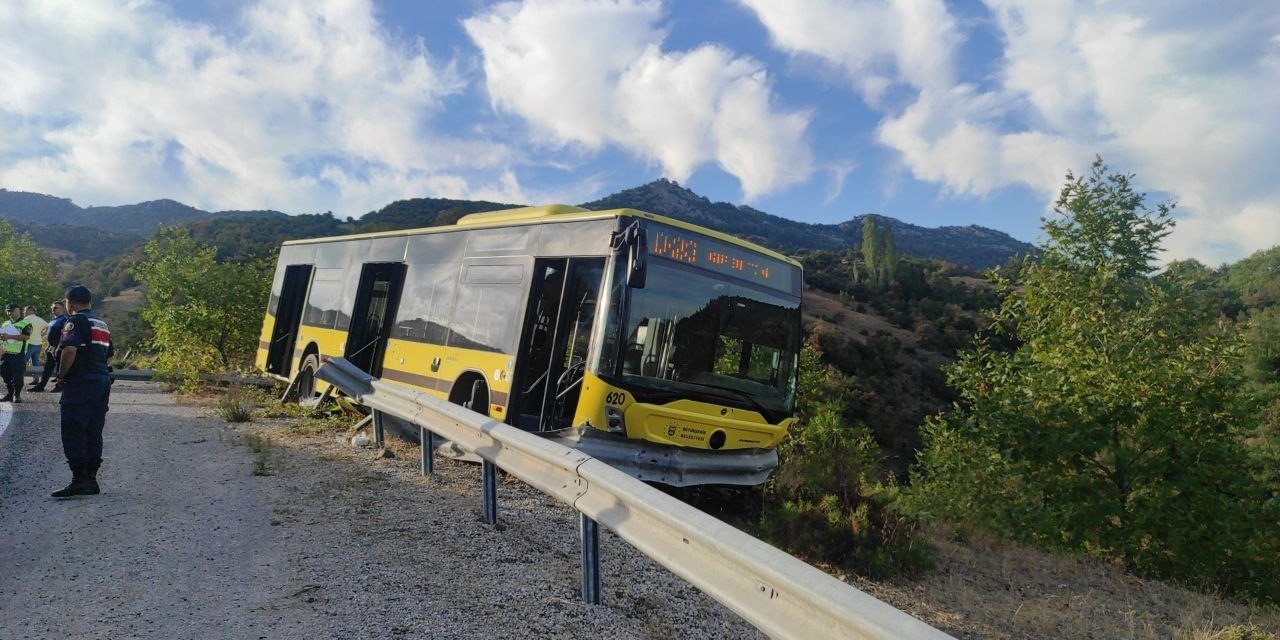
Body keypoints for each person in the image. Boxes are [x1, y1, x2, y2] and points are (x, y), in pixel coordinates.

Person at [51, 286, 114, 498]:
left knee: (73, 429)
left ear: (70, 303)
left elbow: (69, 349)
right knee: (93, 431)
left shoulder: (75, 321)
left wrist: (61, 377)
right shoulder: (102, 324)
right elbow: (109, 353)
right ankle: (91, 480)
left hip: (80, 382)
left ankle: (79, 479)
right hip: (101, 381)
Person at [30, 300, 67, 393]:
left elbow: (65, 334)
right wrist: (48, 346)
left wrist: (60, 346)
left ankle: (60, 386)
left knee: (59, 368)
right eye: (52, 308)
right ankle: (41, 386)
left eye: (55, 308)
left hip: (59, 347)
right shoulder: (53, 320)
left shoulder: (64, 320)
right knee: (48, 368)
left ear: (62, 308)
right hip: (51, 347)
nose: (53, 309)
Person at [1, 303, 33, 403]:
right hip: (5, 354)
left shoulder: (25, 323)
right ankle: (10, 394)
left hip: (18, 354)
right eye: (7, 311)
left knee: (17, 377)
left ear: (18, 310)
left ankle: (17, 395)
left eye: (11, 310)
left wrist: (9, 336)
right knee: (5, 375)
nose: (9, 313)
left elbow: (26, 337)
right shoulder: (6, 323)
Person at [23, 305, 48, 369]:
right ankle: (36, 378)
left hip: (28, 344)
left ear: (30, 310)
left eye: (25, 311)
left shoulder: (26, 319)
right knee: (36, 362)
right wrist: (43, 333)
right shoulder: (40, 319)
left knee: (23, 361)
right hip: (39, 344)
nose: (24, 312)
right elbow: (49, 327)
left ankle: (18, 377)